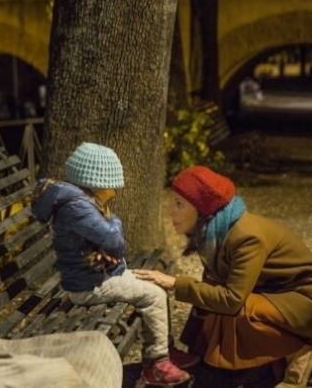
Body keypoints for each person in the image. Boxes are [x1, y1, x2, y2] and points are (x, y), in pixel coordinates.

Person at [134, 165, 312, 388]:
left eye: (179, 204)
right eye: (172, 202)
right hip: (275, 291)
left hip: (307, 299)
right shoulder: (215, 232)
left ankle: (299, 353)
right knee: (210, 302)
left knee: (233, 314)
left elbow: (231, 300)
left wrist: (175, 283)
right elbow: (214, 283)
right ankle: (211, 363)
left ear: (203, 210)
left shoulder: (246, 237)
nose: (171, 212)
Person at [30, 142, 198, 386]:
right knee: (153, 295)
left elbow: (106, 244)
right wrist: (114, 226)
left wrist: (105, 248)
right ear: (96, 181)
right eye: (110, 184)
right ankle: (156, 364)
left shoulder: (79, 202)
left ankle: (165, 350)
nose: (114, 190)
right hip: (88, 285)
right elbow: (117, 242)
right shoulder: (78, 207)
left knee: (152, 283)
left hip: (99, 274)